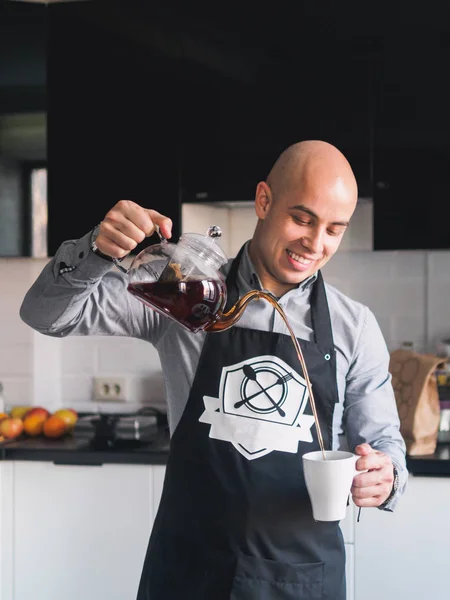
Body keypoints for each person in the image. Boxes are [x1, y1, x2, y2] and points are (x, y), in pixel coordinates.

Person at [20, 140, 408, 600]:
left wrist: (385, 477)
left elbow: (384, 445)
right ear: (264, 200)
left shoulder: (354, 327)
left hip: (300, 581)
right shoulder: (184, 291)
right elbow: (45, 315)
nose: (315, 242)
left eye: (334, 229)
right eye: (302, 219)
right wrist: (96, 250)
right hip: (189, 574)